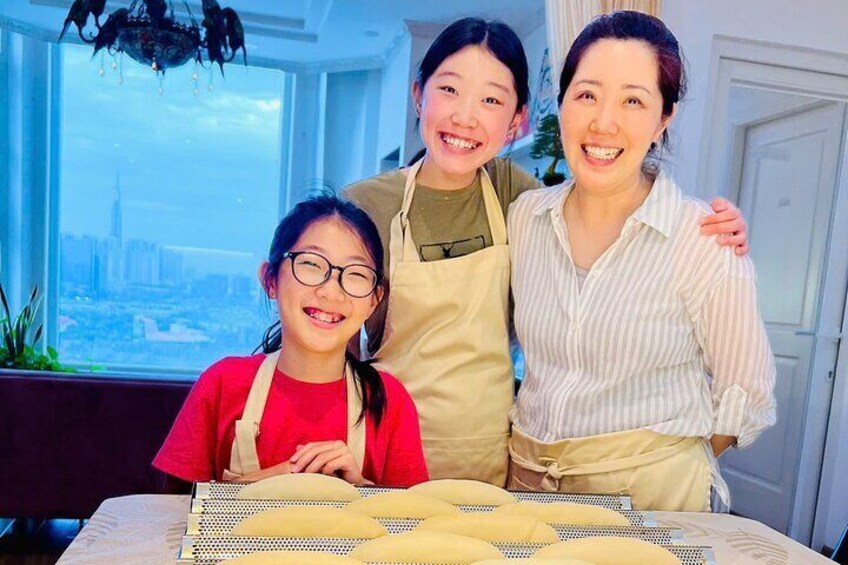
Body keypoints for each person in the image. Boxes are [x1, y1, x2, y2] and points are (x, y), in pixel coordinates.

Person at [343, 17, 748, 486]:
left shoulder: (520, 198)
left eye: (491, 100)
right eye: (449, 90)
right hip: (382, 447)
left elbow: (612, 225)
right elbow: (335, 350)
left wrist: (708, 230)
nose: (465, 117)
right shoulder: (365, 205)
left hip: (489, 455)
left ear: (518, 120)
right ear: (419, 95)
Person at [507, 11, 776, 511]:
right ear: (561, 104)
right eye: (587, 94)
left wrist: (662, 468)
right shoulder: (525, 218)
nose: (603, 122)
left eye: (633, 100)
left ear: (663, 119)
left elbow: (747, 395)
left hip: (649, 502)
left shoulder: (703, 239)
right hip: (527, 490)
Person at [153, 195, 428, 490]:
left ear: (374, 299)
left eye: (356, 274)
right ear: (270, 280)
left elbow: (409, 515)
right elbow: (175, 507)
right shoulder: (222, 384)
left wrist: (359, 489)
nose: (331, 291)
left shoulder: (390, 401)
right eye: (311, 264)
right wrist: (275, 480)